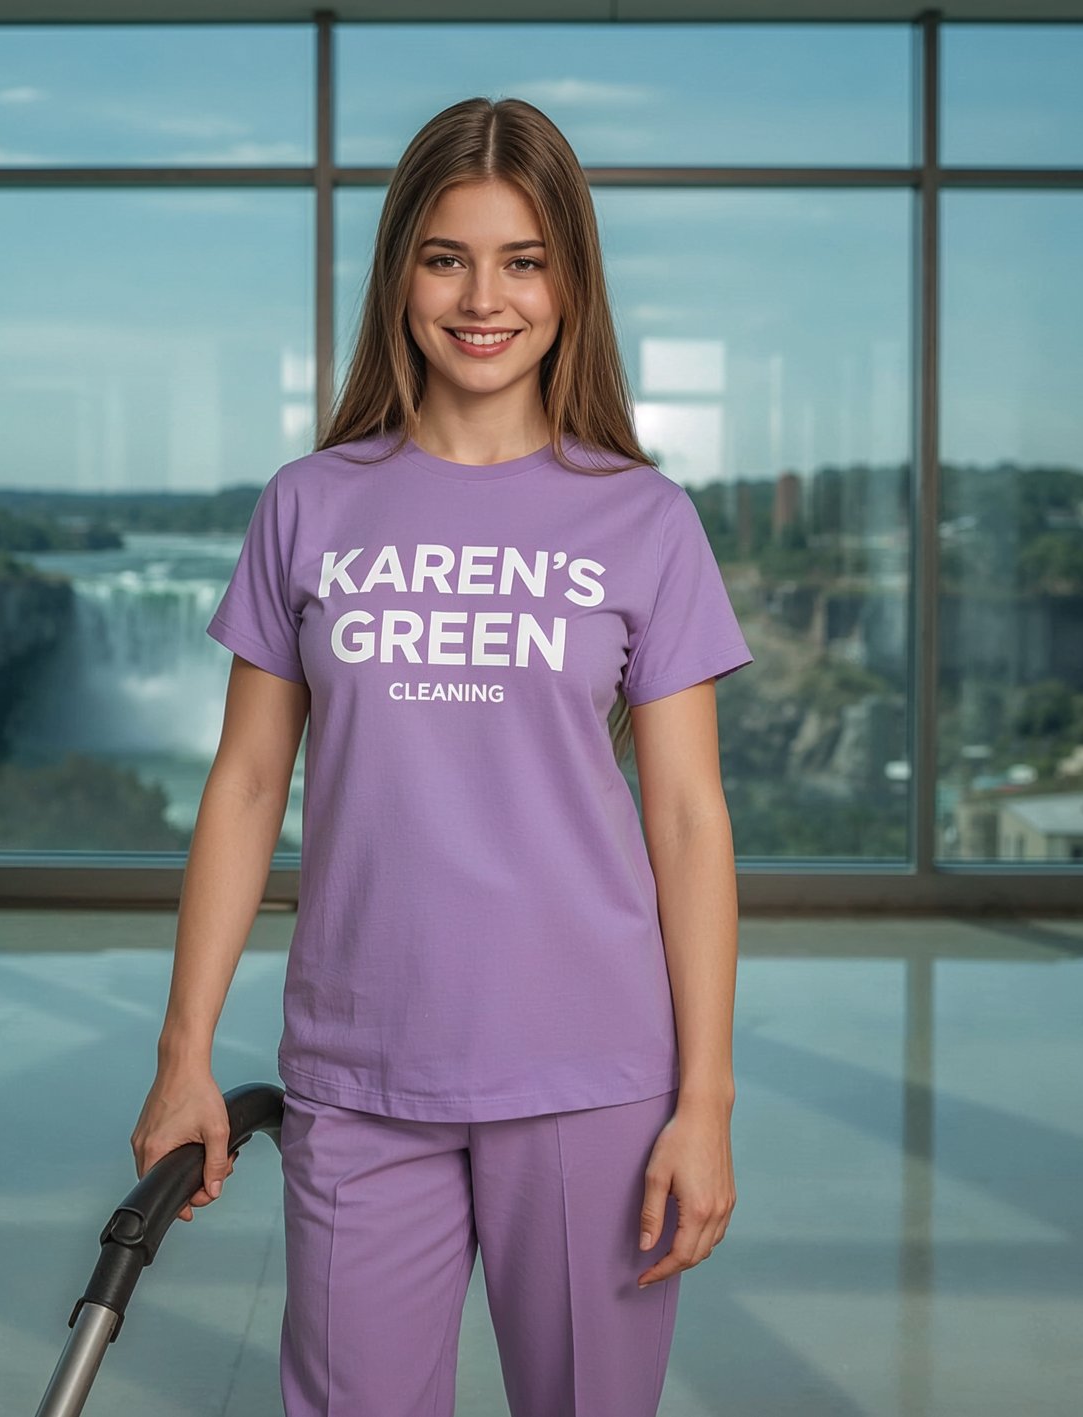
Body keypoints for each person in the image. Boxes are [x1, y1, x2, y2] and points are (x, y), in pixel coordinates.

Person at [130, 95, 753, 1417]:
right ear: (399, 272)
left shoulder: (642, 518)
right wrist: (185, 1056)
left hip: (597, 1080)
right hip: (360, 1078)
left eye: (524, 260)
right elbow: (246, 789)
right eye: (447, 257)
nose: (485, 298)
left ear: (570, 281)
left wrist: (707, 1101)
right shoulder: (310, 503)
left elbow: (690, 819)